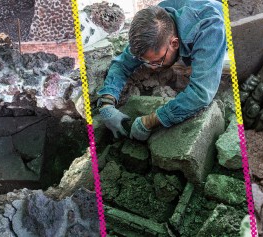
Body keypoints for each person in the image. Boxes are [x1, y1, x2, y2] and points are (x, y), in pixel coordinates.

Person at [96, 0, 226, 141]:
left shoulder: (210, 28)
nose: (151, 67)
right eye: (146, 61)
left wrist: (150, 121)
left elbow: (201, 93)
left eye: (157, 61)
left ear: (174, 43)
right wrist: (106, 103)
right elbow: (122, 64)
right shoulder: (154, 25)